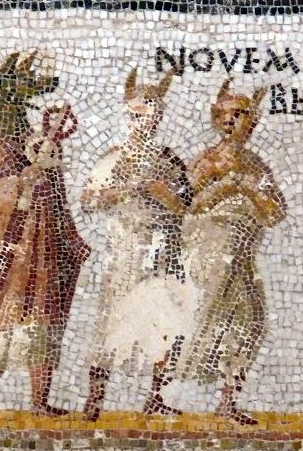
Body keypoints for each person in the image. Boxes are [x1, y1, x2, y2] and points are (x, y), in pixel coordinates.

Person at [0, 52, 89, 430]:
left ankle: (40, 402)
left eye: (22, 102)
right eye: (12, 101)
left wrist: (70, 236)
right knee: (3, 324)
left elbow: (58, 195)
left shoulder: (37, 141)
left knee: (44, 320)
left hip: (42, 248)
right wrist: (16, 185)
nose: (17, 110)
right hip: (5, 254)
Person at [81, 68, 196, 421]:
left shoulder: (169, 160)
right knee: (112, 321)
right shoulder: (114, 158)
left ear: (158, 118)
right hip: (126, 251)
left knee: (166, 322)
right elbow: (89, 200)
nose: (140, 123)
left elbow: (186, 206)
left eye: (147, 116)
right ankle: (94, 399)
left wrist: (162, 193)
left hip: (163, 251)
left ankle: (156, 397)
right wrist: (125, 190)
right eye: (134, 116)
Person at [180, 79, 287, 425]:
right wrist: (224, 187)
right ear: (215, 119)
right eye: (225, 114)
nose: (231, 121)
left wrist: (250, 191)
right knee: (202, 318)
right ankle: (165, 395)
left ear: (252, 122)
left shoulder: (256, 166)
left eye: (240, 114)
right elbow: (184, 206)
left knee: (251, 323)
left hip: (243, 256)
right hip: (210, 251)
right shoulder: (207, 161)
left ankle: (228, 400)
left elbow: (275, 213)